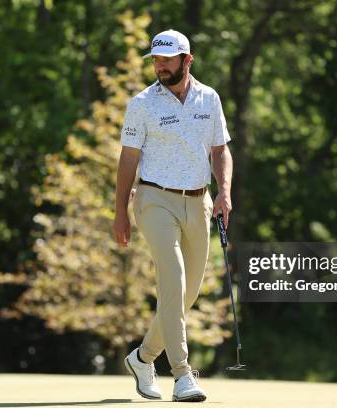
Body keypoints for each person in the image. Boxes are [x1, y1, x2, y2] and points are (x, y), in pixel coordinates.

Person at [113, 29, 233, 402]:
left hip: (198, 201)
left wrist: (224, 192)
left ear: (187, 60)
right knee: (173, 277)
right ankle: (183, 374)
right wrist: (120, 213)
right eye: (156, 59)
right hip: (154, 199)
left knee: (187, 293)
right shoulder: (142, 103)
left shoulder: (209, 98)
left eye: (167, 59)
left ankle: (143, 357)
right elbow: (128, 159)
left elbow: (220, 150)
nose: (160, 65)